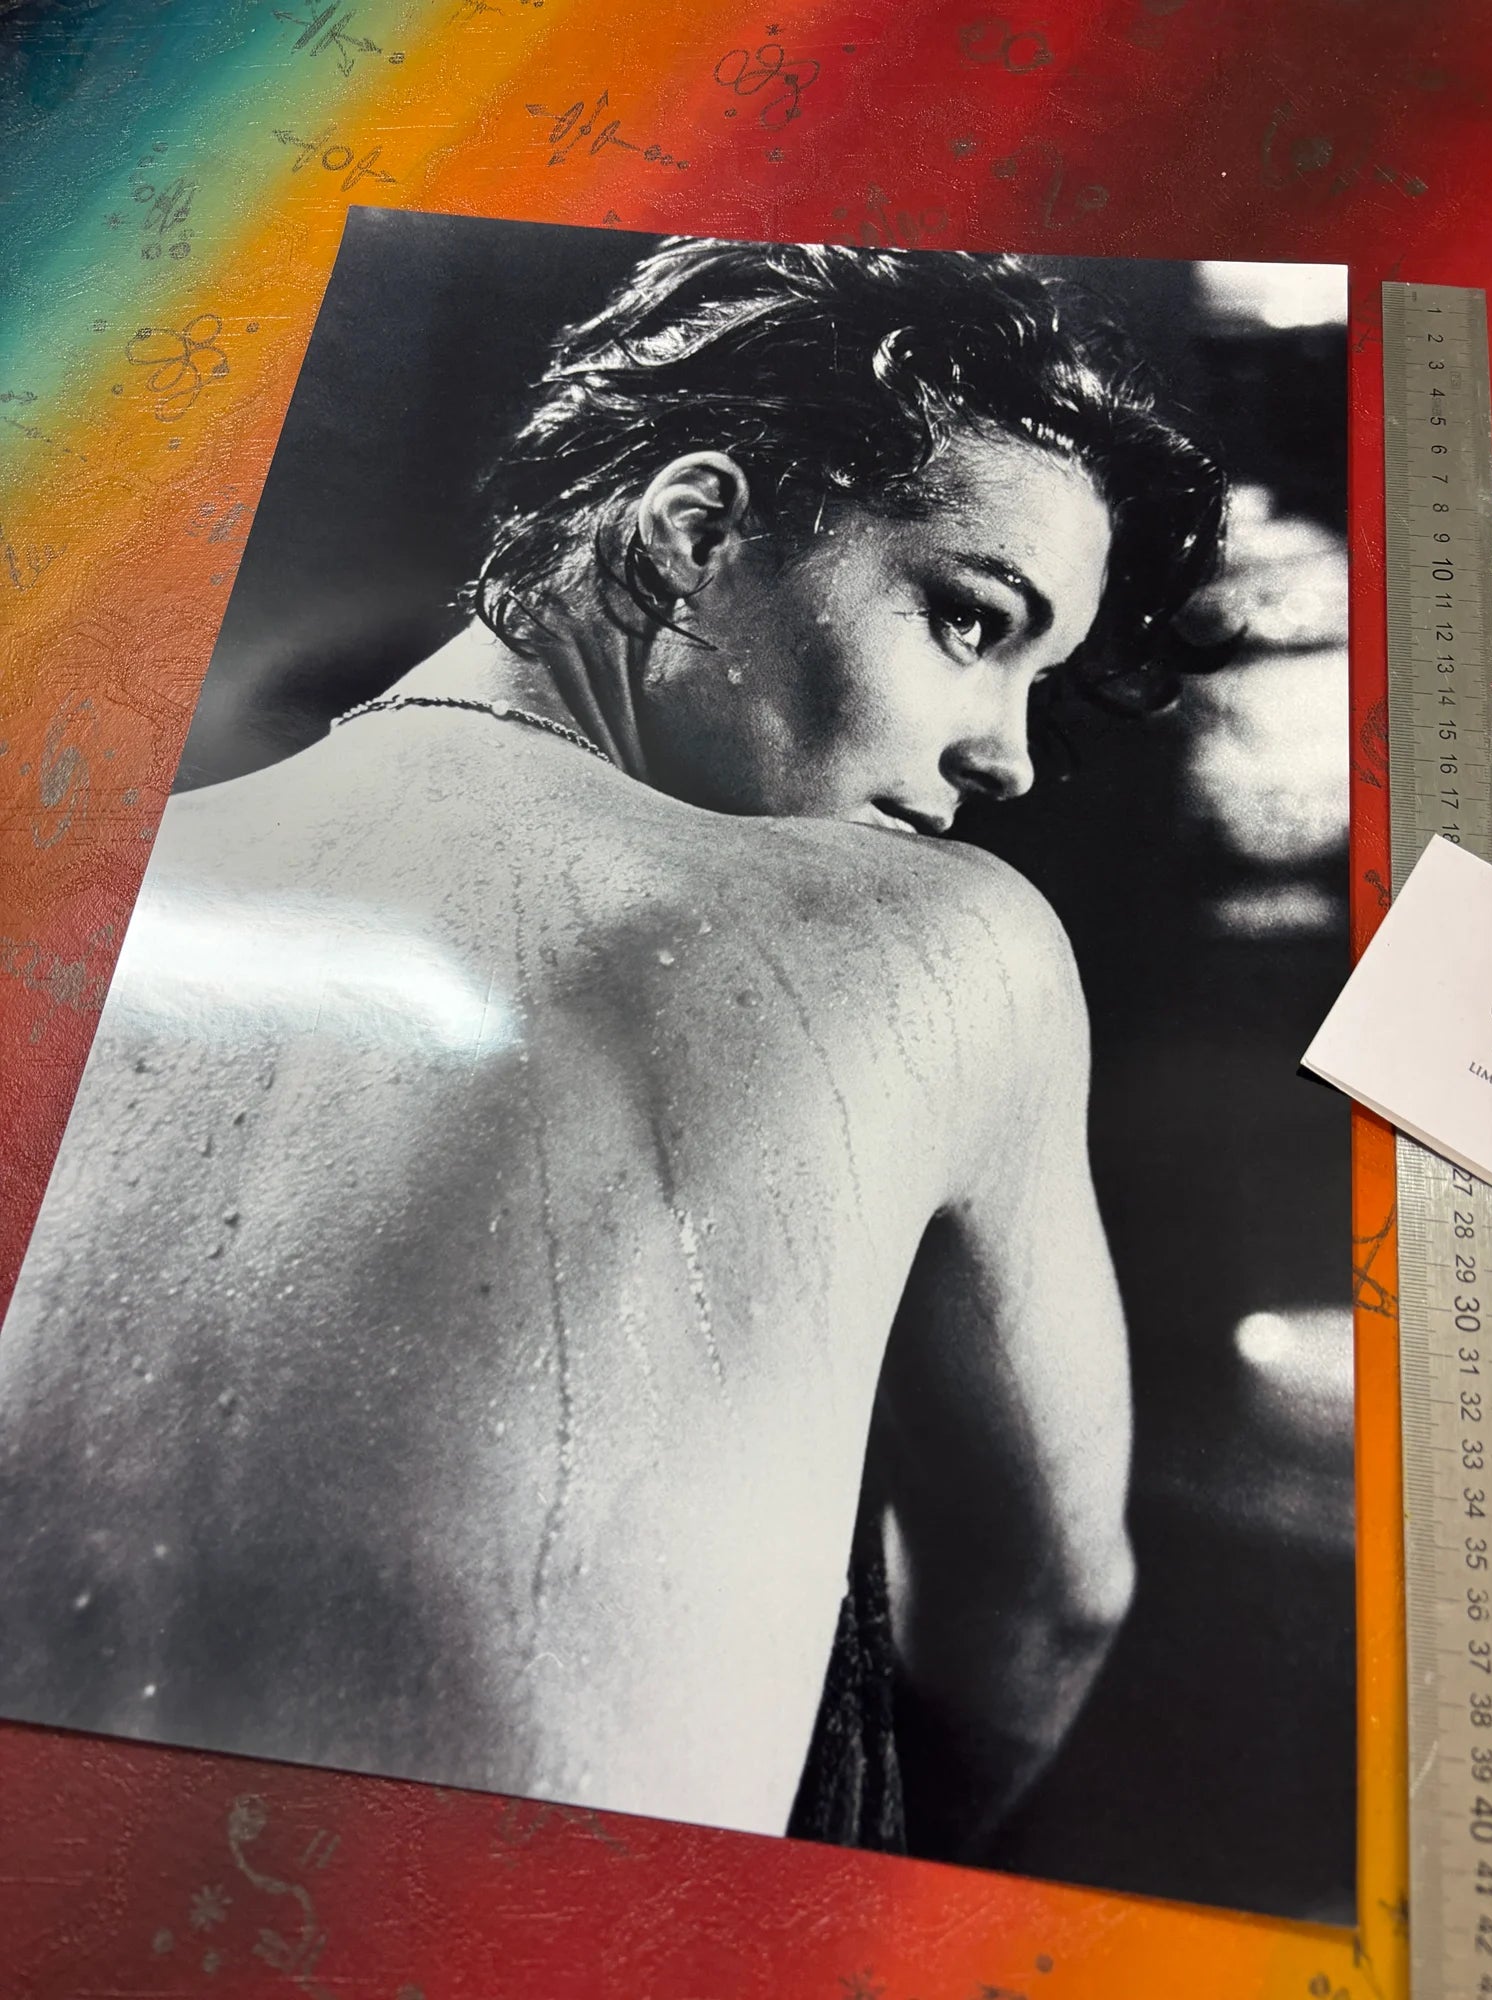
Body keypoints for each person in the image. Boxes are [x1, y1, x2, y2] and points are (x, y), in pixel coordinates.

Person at [0, 238, 1225, 1862]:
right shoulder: (944, 944)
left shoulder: (68, 895)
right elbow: (1048, 1616)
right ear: (696, 531)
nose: (1005, 757)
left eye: (1037, 681)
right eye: (968, 620)